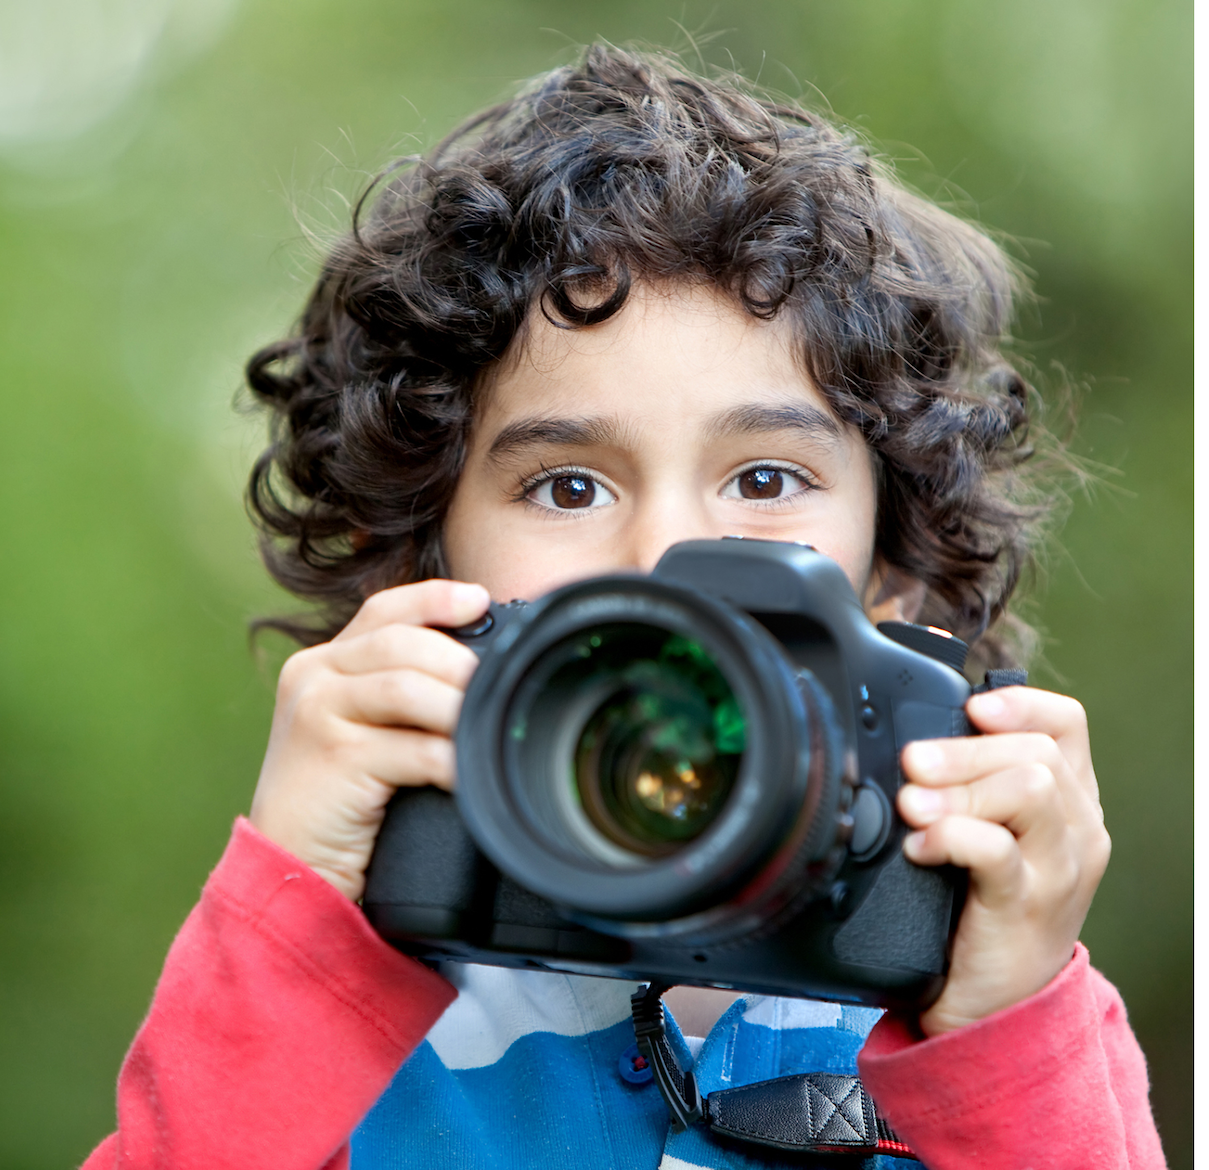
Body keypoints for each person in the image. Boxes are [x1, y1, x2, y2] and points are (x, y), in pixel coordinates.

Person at [83, 44, 1162, 1169]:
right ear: (419, 561)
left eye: (762, 481)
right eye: (567, 486)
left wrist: (1003, 1020)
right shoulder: (344, 997)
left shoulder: (968, 995)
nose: (663, 557)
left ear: (890, 567)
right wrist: (297, 922)